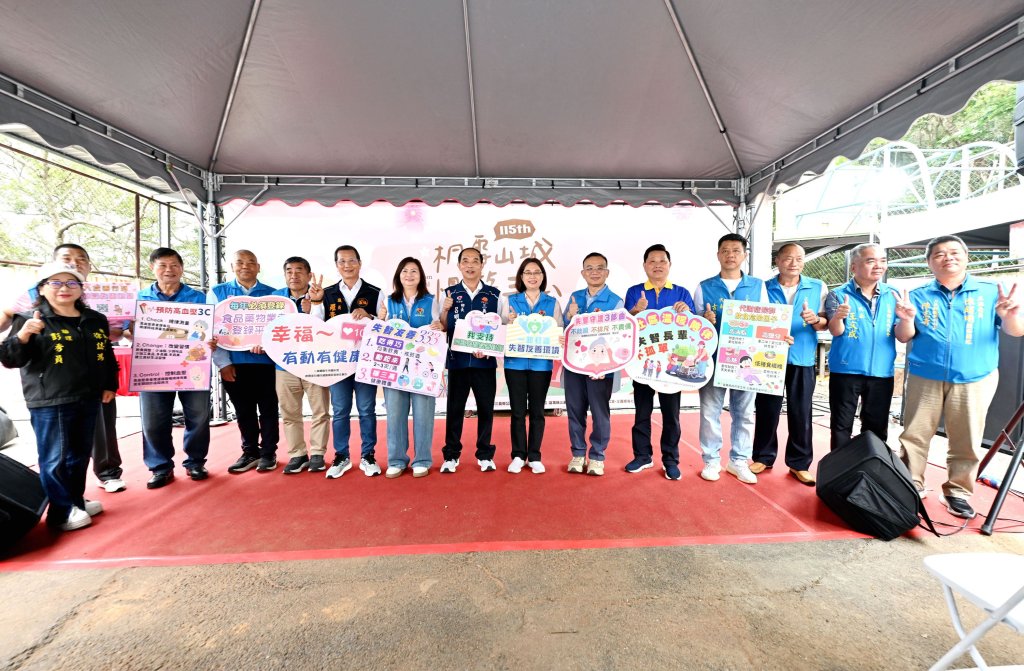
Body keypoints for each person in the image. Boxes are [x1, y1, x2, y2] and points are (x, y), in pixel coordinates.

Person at [897, 235, 1024, 519]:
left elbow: (1016, 331)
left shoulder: (991, 292)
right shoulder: (917, 295)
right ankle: (911, 484)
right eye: (939, 254)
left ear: (966, 257)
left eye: (954, 252)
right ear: (930, 263)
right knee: (914, 435)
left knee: (967, 438)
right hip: (925, 374)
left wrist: (1010, 315)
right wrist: (905, 319)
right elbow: (904, 336)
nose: (948, 257)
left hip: (974, 377)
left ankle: (957, 492)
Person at [0, 261, 118, 531]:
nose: (64, 288)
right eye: (56, 283)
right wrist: (23, 335)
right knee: (55, 457)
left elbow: (106, 355)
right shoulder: (32, 319)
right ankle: (61, 512)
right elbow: (10, 359)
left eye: (71, 283)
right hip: (51, 399)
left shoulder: (94, 319)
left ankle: (74, 500)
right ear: (42, 288)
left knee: (79, 454)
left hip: (87, 396)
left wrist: (109, 383)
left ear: (80, 288)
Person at [750, 244, 828, 486]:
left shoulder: (818, 287)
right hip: (769, 358)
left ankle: (799, 463)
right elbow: (754, 320)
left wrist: (816, 319)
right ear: (778, 260)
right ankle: (763, 457)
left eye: (799, 259)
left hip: (802, 357)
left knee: (801, 411)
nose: (793, 263)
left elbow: (825, 322)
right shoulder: (763, 287)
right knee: (766, 409)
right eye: (788, 258)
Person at [694, 233, 768, 485]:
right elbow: (694, 326)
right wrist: (705, 321)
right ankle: (711, 460)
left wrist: (778, 337)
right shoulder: (704, 286)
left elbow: (769, 318)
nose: (730, 255)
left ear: (744, 255)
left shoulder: (758, 286)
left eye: (736, 250)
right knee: (709, 412)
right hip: (714, 360)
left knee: (745, 413)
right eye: (725, 250)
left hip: (747, 360)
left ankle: (739, 461)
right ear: (718, 255)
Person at [136, 248, 211, 489]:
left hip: (192, 366)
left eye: (174, 265)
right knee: (153, 421)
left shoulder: (199, 297)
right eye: (162, 266)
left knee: (198, 417)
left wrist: (210, 339)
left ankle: (196, 462)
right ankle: (160, 467)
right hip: (153, 366)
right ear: (152, 268)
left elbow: (208, 329)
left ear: (181, 267)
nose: (169, 270)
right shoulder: (140, 298)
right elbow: (129, 332)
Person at [623, 243, 695, 480]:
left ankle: (671, 459)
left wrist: (687, 313)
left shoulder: (682, 292)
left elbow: (693, 328)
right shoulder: (634, 291)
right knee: (641, 412)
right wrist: (635, 310)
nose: (657, 265)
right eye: (652, 261)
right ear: (644, 265)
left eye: (662, 261)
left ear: (669, 265)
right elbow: (625, 326)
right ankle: (642, 456)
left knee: (671, 414)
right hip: (642, 362)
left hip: (672, 366)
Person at [209, 250, 281, 474]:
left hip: (267, 363)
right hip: (234, 364)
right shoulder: (217, 293)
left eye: (251, 262)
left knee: (268, 409)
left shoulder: (273, 295)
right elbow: (211, 330)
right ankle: (250, 451)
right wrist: (223, 364)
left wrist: (269, 345)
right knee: (243, 410)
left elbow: (281, 330)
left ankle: (269, 452)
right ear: (232, 267)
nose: (245, 266)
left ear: (258, 267)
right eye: (240, 262)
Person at [824, 243, 900, 451]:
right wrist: (839, 316)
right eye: (871, 261)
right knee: (841, 425)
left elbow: (902, 335)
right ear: (854, 267)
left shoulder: (894, 295)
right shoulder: (838, 295)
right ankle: (840, 475)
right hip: (845, 369)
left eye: (882, 261)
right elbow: (836, 330)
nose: (878, 266)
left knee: (876, 426)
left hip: (882, 371)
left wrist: (907, 319)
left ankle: (871, 474)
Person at [439, 246, 507, 473]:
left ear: (482, 265)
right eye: (465, 261)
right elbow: (441, 327)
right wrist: (445, 311)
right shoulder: (449, 294)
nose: (470, 265)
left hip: (484, 363)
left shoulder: (495, 295)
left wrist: (489, 349)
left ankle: (485, 454)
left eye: (475, 261)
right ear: (459, 265)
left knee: (486, 409)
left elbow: (501, 328)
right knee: (454, 409)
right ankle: (451, 455)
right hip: (457, 362)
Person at [322, 245, 386, 479]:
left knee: (367, 410)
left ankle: (368, 455)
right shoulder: (326, 293)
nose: (347, 265)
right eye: (342, 261)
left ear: (360, 263)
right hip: (337, 363)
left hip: (365, 362)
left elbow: (384, 324)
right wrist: (312, 306)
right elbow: (316, 327)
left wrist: (370, 316)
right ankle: (342, 456)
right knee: (339, 411)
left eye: (351, 261)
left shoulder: (375, 292)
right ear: (336, 265)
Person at [378, 257, 442, 478]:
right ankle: (396, 459)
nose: (409, 275)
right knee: (395, 413)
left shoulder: (431, 300)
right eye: (405, 271)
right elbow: (379, 329)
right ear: (398, 275)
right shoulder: (388, 300)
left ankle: (422, 459)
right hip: (394, 366)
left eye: (414, 271)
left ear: (421, 276)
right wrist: (380, 320)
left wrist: (438, 326)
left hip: (423, 365)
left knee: (424, 413)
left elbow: (439, 329)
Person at [563, 252, 624, 476]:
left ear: (606, 273)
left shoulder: (616, 301)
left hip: (601, 369)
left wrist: (605, 367)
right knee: (575, 411)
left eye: (599, 268)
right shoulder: (575, 297)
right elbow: (567, 331)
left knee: (600, 413)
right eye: (589, 268)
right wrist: (569, 317)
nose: (594, 272)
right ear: (583, 273)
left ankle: (597, 456)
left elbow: (619, 337)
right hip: (575, 366)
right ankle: (578, 454)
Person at [502, 258, 564, 474]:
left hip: (541, 365)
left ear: (542, 276)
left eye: (537, 272)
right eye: (527, 272)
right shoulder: (510, 301)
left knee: (537, 411)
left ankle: (535, 456)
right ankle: (518, 455)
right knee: (517, 411)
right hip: (514, 364)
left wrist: (561, 337)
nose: (532, 276)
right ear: (521, 277)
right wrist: (508, 322)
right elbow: (499, 331)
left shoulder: (552, 302)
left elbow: (559, 331)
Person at [271, 257, 331, 474]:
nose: (294, 275)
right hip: (283, 366)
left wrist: (313, 308)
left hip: (314, 364)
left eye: (299, 271)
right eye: (289, 271)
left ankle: (317, 453)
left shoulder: (321, 296)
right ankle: (297, 454)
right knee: (289, 413)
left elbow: (328, 330)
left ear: (308, 274)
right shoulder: (274, 299)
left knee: (320, 411)